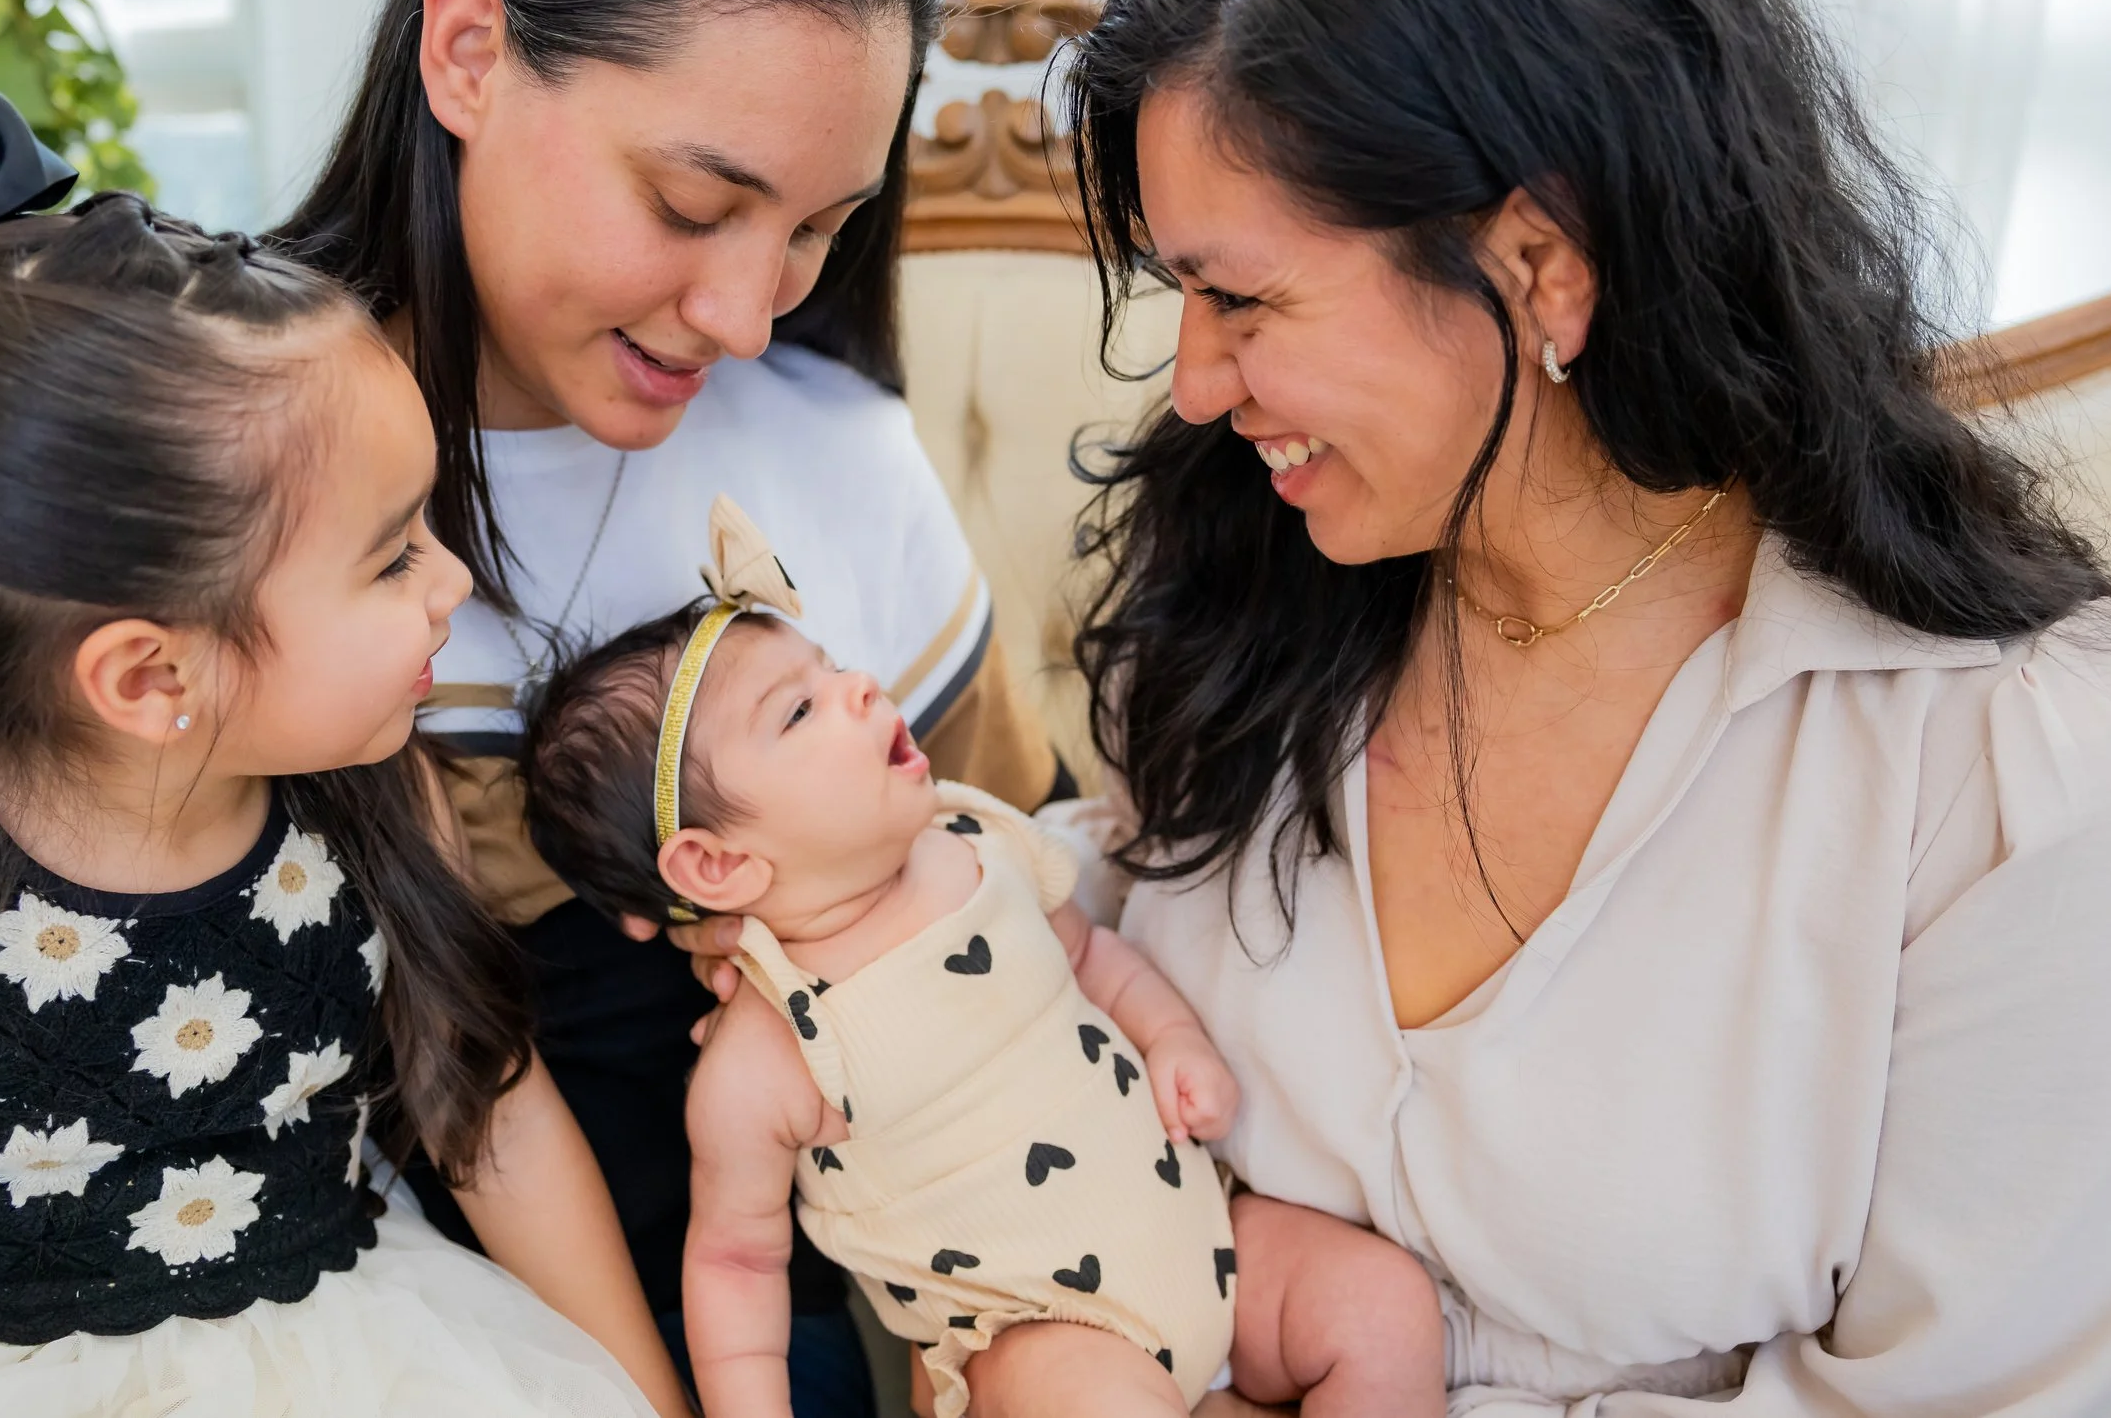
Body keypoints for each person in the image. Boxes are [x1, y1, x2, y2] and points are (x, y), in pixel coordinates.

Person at [1046, 0, 2111, 1418]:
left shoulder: (2010, 770)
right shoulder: (1243, 599)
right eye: (1180, 293)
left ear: (1543, 263)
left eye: (1245, 297)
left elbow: (1997, 1390)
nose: (1198, 384)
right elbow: (1063, 991)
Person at [0, 87, 691, 1418]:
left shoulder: (372, 797)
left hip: (352, 1348)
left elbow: (494, 1113)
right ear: (149, 674)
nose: (454, 576)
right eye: (390, 554)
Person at [270, 0, 1067, 1408]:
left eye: (815, 229)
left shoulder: (835, 454)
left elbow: (1014, 907)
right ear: (469, 51)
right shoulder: (252, 466)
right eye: (694, 203)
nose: (748, 314)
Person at [517, 501, 1433, 1418]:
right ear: (717, 863)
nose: (862, 686)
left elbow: (1093, 956)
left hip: (1208, 1240)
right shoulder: (767, 1059)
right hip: (1044, 1333)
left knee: (1385, 1306)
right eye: (799, 710)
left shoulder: (977, 839)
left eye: (833, 667)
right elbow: (736, 1259)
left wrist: (1173, 1040)